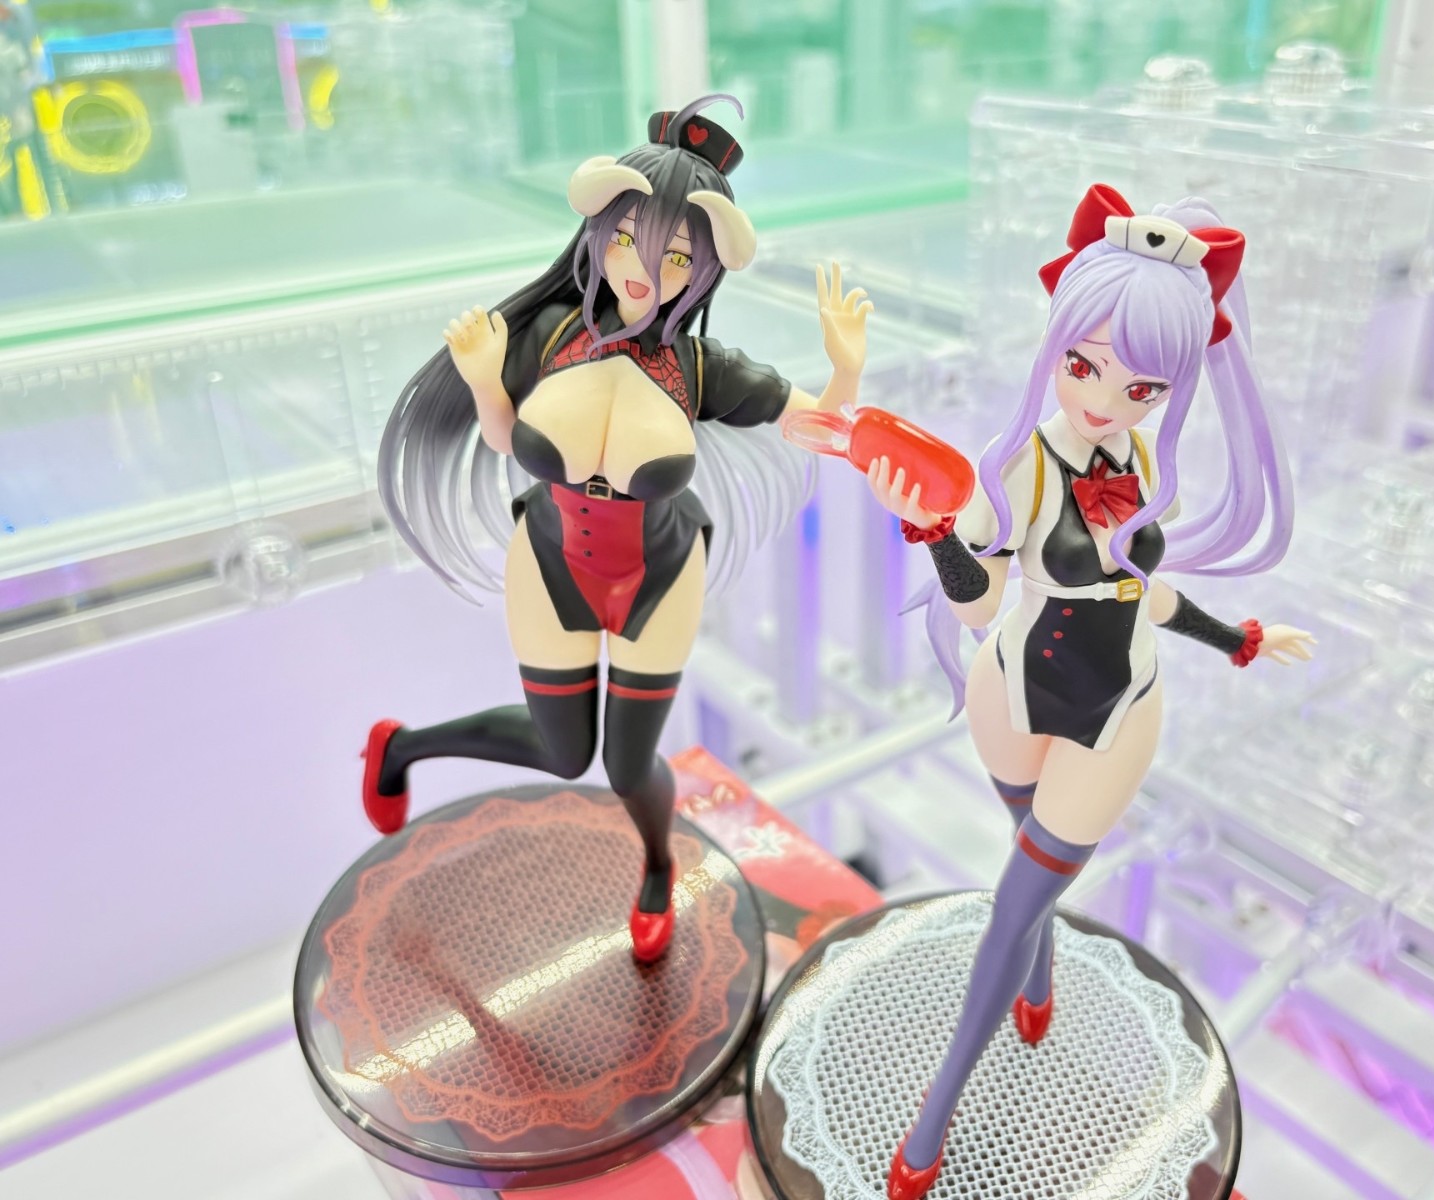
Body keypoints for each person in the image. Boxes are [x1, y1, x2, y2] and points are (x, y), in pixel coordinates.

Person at [863, 183, 1313, 1198]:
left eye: (1141, 384)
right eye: (1083, 365)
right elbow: (982, 606)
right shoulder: (1022, 465)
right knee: (1027, 873)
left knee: (1013, 900)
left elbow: (1144, 594)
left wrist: (1237, 638)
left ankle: (933, 1118)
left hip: (1116, 714)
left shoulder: (1145, 460)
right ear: (1056, 346)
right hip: (1012, 691)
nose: (1106, 399)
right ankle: (1040, 977)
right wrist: (932, 534)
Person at [363, 95, 872, 963]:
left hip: (659, 575)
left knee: (629, 764)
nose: (647, 269)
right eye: (632, 239)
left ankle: (657, 865)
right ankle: (401, 748)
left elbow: (820, 426)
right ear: (599, 231)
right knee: (565, 754)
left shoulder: (702, 369)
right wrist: (484, 377)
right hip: (551, 559)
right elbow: (502, 440)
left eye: (678, 255)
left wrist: (846, 367)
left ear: (704, 271)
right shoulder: (548, 333)